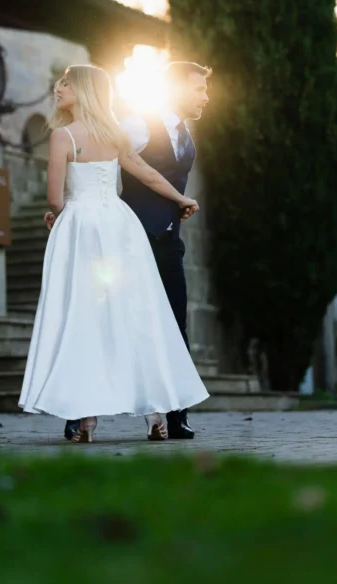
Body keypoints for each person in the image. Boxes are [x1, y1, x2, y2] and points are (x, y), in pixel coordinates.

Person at [18, 64, 209, 442]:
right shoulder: (116, 135)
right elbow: (150, 174)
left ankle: (84, 419)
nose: (58, 88)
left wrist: (53, 214)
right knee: (138, 314)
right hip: (123, 227)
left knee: (82, 318)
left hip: (81, 229)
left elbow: (56, 198)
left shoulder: (62, 137)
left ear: (83, 90)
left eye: (66, 84)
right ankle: (157, 414)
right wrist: (182, 199)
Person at [120, 61, 211, 439]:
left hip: (169, 242)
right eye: (198, 89)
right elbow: (104, 165)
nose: (205, 97)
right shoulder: (138, 125)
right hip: (131, 240)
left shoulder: (186, 134)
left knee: (175, 325)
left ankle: (177, 414)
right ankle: (80, 413)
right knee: (114, 322)